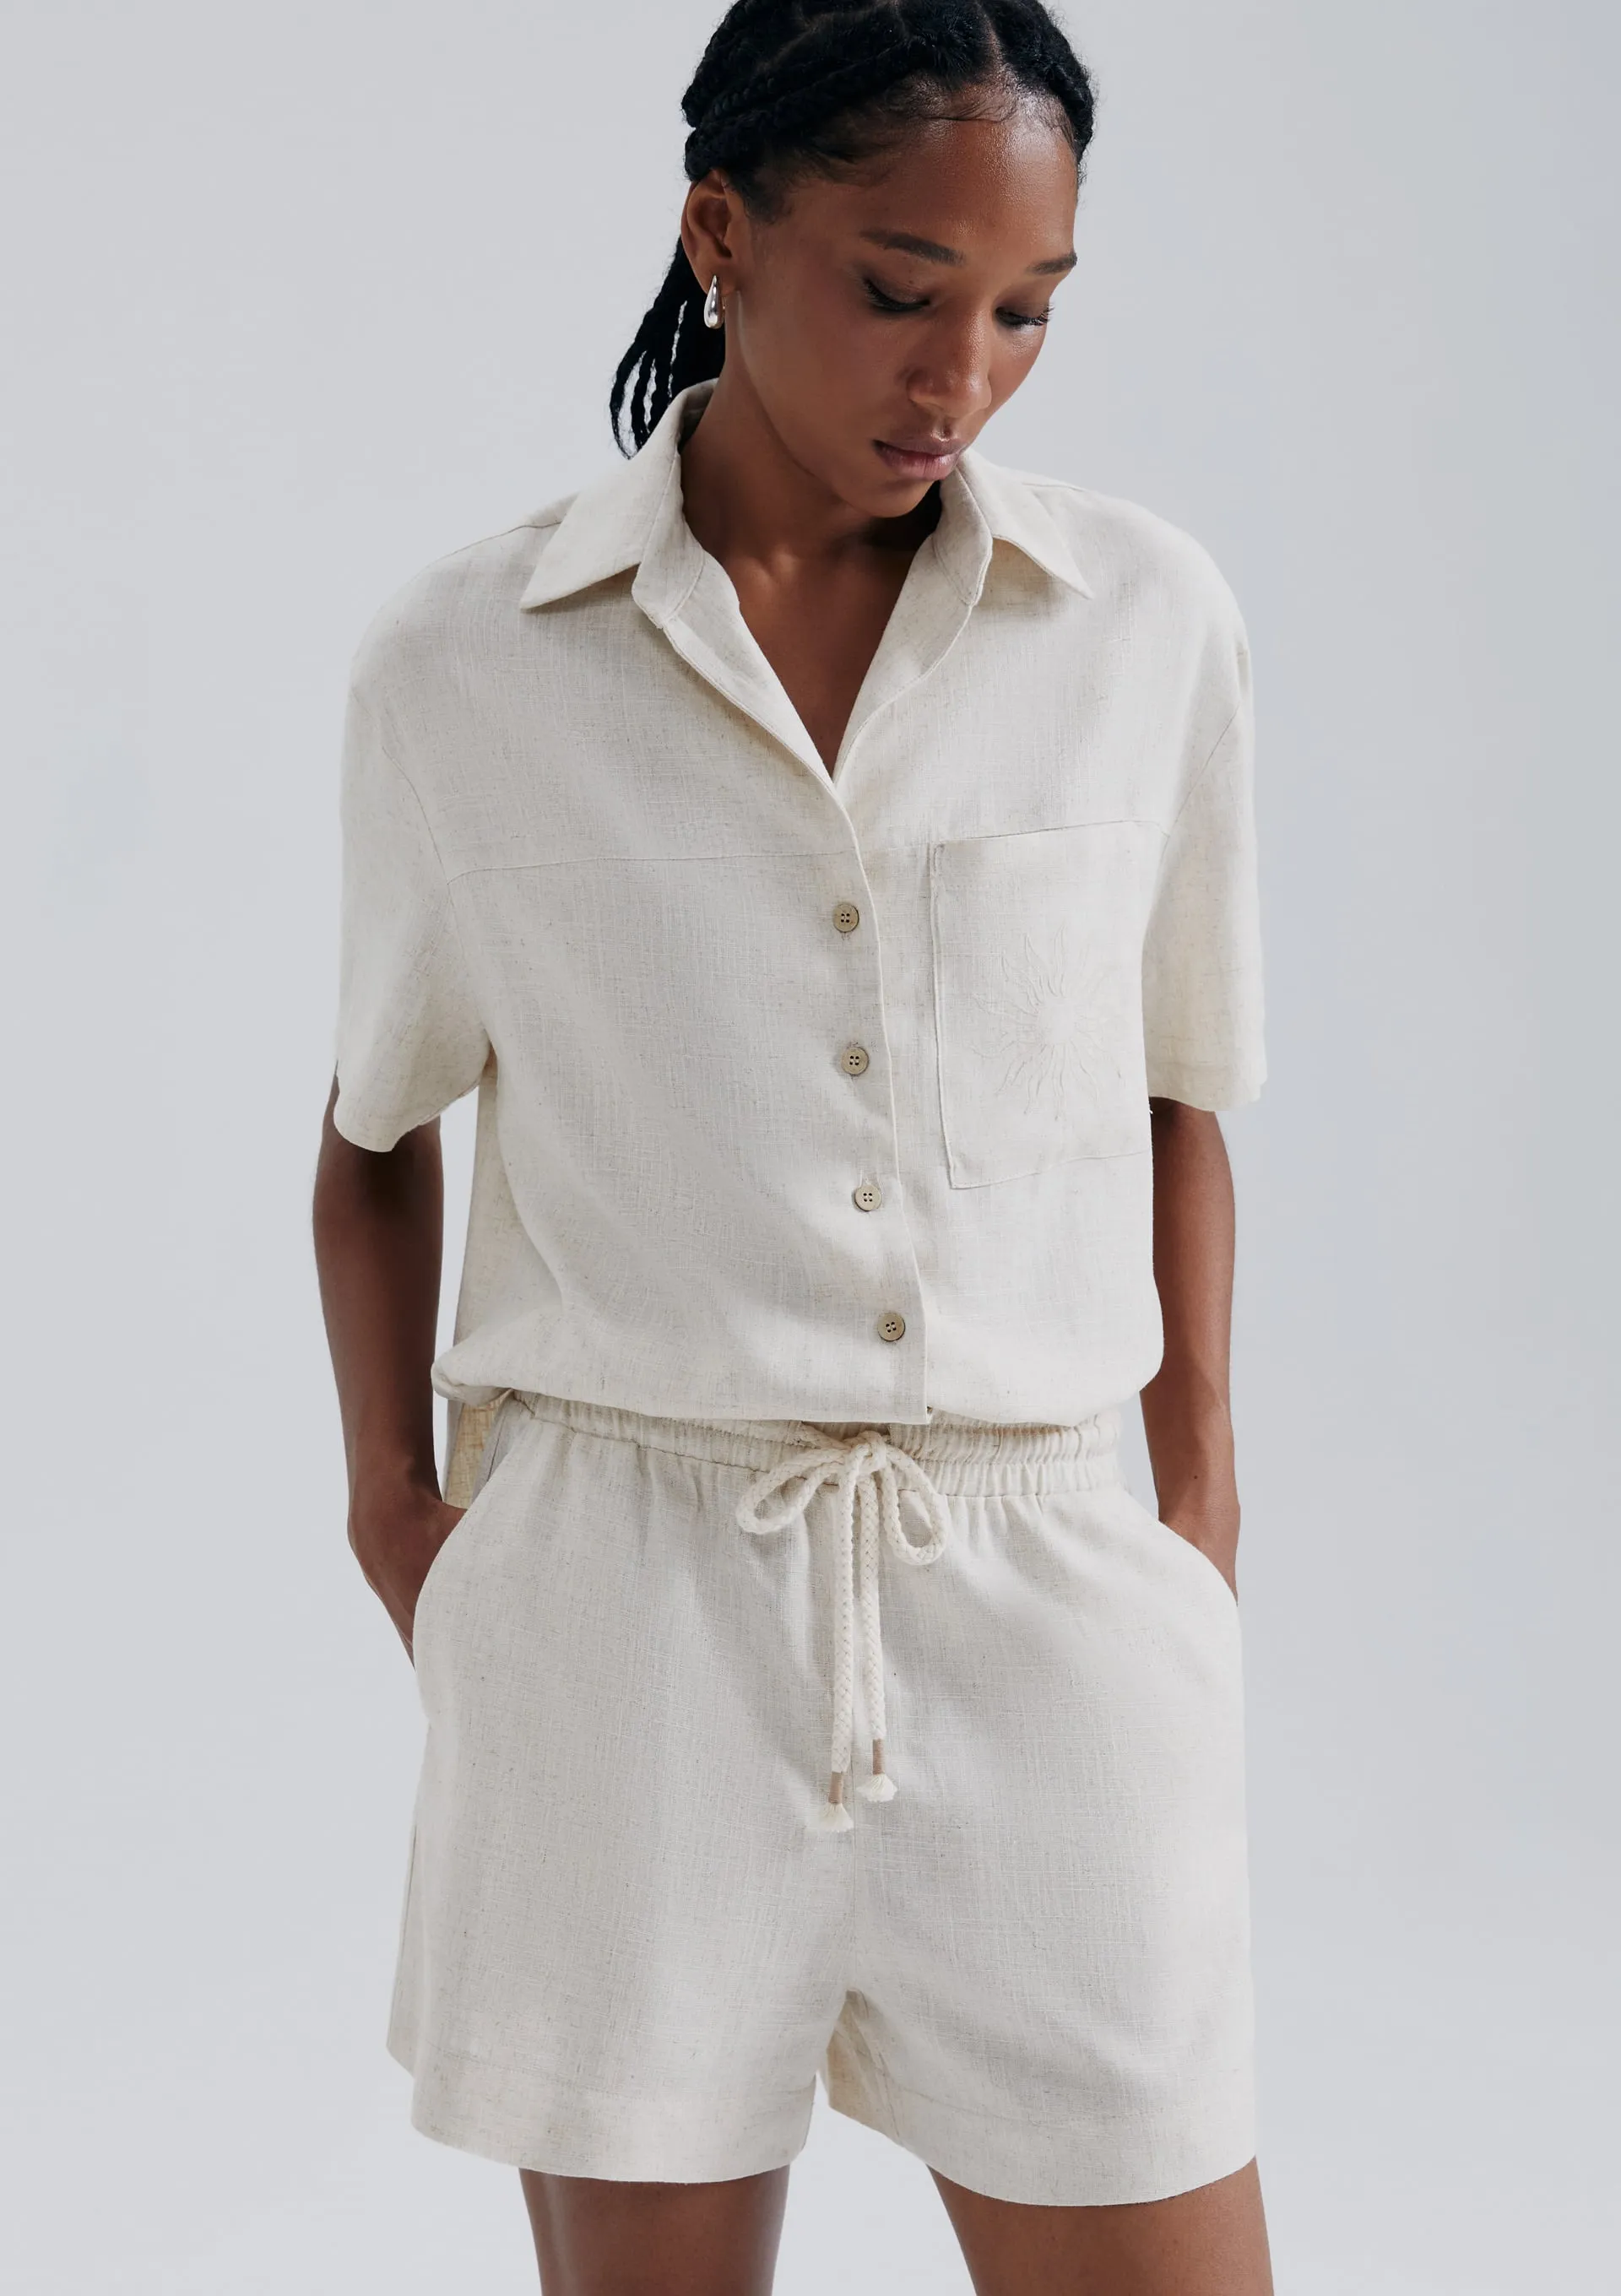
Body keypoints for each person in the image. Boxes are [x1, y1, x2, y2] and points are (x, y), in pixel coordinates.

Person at [312, 2, 1273, 2288]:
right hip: (627, 1623)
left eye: (1027, 311)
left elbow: (1179, 1087)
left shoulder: (1143, 625)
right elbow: (372, 1132)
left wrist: (1197, 1509)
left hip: (1047, 1605)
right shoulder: (472, 659)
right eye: (902, 288)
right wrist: (402, 1523)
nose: (961, 375)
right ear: (721, 232)